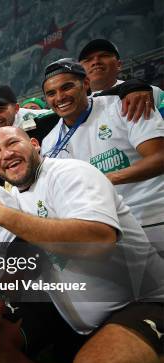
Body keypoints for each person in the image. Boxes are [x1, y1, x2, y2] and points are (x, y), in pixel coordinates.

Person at [0, 126, 163, 363]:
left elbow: (98, 241)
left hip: (142, 300)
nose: (6, 154)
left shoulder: (70, 173)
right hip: (78, 315)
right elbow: (30, 253)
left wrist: (4, 217)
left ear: (35, 144)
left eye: (12, 142)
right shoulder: (18, 196)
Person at [40, 58, 164, 251]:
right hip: (106, 229)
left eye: (67, 87)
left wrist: (105, 179)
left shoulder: (123, 105)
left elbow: (160, 157)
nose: (60, 97)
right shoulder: (49, 142)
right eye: (51, 93)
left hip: (152, 218)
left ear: (86, 84)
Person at [78, 38, 162, 121]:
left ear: (119, 65)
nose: (96, 62)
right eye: (88, 60)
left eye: (104, 56)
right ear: (79, 71)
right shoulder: (73, 107)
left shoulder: (153, 93)